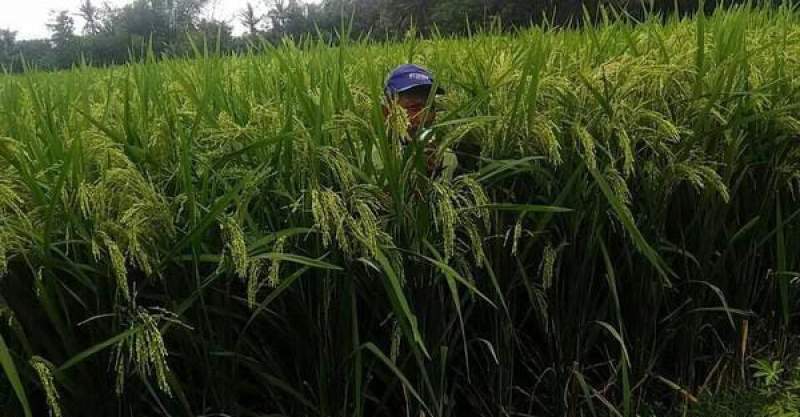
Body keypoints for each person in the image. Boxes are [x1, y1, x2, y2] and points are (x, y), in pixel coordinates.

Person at [381, 64, 457, 180]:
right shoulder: (373, 157)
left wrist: (432, 175)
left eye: (429, 107)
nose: (423, 117)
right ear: (387, 111)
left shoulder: (447, 158)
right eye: (413, 108)